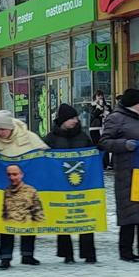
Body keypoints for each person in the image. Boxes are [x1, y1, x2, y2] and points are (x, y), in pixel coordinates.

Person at [99, 88, 139, 262]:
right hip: (127, 171)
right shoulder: (115, 118)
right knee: (129, 212)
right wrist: (124, 144)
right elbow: (104, 142)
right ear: (131, 104)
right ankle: (125, 250)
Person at [0, 109, 48, 267]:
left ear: (11, 128)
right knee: (6, 221)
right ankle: (5, 257)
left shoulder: (29, 137)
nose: (0, 133)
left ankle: (28, 255)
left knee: (28, 219)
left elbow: (43, 155)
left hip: (27, 185)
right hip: (5, 188)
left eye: (3, 129)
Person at [43, 103, 98, 264]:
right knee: (63, 218)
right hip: (59, 186)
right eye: (72, 118)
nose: (75, 120)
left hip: (82, 185)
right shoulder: (51, 138)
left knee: (85, 218)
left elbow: (92, 156)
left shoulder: (83, 136)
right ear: (63, 120)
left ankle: (89, 253)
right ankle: (67, 253)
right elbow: (43, 159)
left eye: (76, 117)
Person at [89, 90, 112, 169]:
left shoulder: (107, 105)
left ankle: (106, 163)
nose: (100, 97)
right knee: (97, 146)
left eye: (101, 95)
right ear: (95, 97)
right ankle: (98, 163)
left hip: (105, 127)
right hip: (95, 128)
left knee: (105, 145)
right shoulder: (92, 105)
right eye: (98, 96)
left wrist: (106, 110)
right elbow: (93, 115)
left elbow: (111, 115)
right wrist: (99, 107)